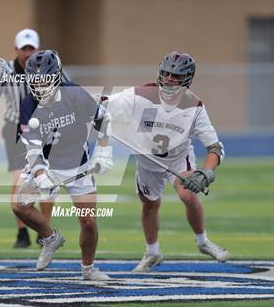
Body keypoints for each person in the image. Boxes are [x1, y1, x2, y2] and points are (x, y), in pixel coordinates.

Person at [105, 51, 230, 272]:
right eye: (167, 74)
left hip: (178, 158)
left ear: (188, 79)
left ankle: (202, 242)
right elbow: (103, 105)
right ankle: (152, 252)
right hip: (147, 161)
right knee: (150, 204)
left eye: (176, 76)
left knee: (187, 194)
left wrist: (207, 172)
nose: (170, 80)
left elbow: (215, 147)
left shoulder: (195, 106)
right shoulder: (138, 96)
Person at [12, 50, 113, 280]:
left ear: (56, 77)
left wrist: (104, 150)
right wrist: (41, 176)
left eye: (45, 79)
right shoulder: (28, 106)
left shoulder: (73, 93)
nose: (40, 86)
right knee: (19, 205)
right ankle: (50, 238)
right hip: (45, 162)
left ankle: (88, 269)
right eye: (35, 81)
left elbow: (103, 119)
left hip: (78, 163)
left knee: (88, 221)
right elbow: (33, 149)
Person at [0, 29, 69, 248]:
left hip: (47, 128)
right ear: (16, 50)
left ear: (38, 49)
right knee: (18, 182)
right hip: (15, 128)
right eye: (24, 49)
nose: (27, 53)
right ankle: (22, 232)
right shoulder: (6, 71)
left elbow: (68, 91)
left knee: (47, 181)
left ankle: (44, 231)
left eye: (31, 48)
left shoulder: (50, 67)